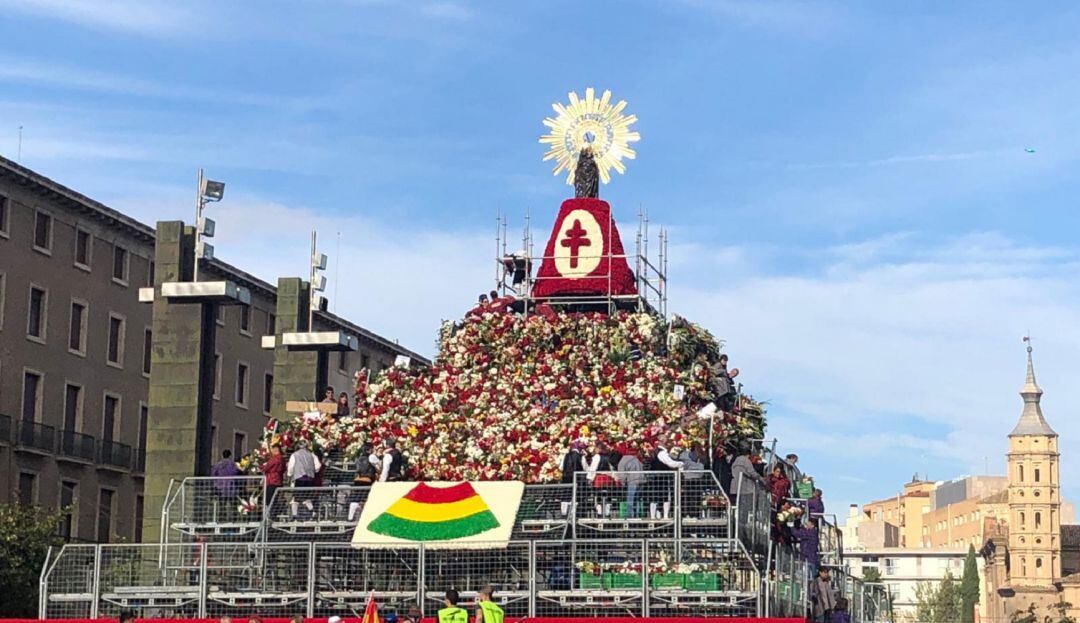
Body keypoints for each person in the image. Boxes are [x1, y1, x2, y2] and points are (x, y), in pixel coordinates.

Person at [616, 447, 646, 518]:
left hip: (632, 481)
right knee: (638, 499)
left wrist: (623, 483)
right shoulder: (636, 459)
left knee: (630, 499)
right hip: (641, 480)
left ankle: (630, 515)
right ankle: (637, 514)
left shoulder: (623, 460)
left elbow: (622, 474)